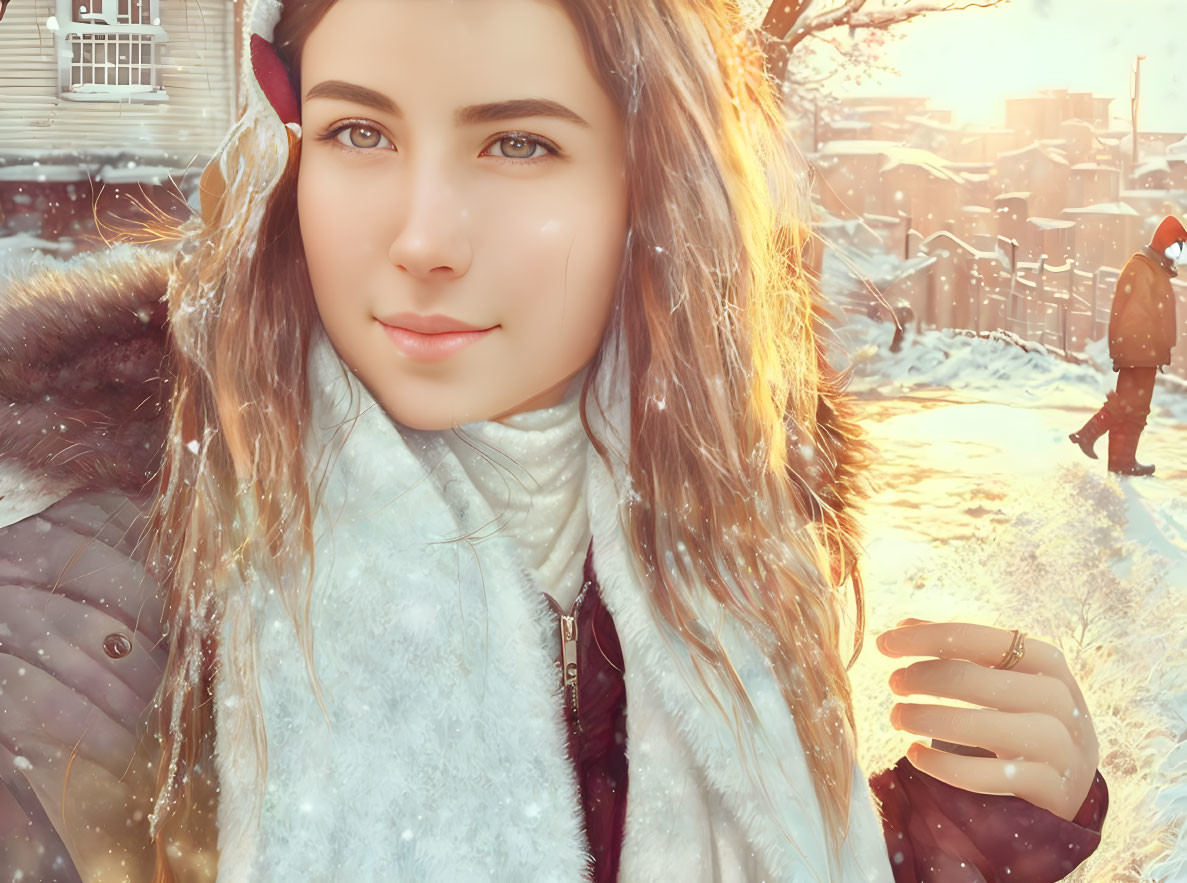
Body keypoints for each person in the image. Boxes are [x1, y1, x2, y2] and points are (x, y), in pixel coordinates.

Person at [0, 0, 1107, 880]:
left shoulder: (720, 521)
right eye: (358, 130)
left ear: (648, 189)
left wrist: (946, 840)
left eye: (517, 142)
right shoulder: (101, 593)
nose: (422, 236)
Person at [1069, 214, 1184, 476]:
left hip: (1139, 349)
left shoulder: (1148, 266)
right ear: (1166, 244)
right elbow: (1138, 314)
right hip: (1141, 350)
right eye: (1177, 248)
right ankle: (1092, 436)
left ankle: (1120, 460)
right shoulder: (1144, 267)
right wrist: (1150, 346)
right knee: (1133, 405)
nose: (1178, 256)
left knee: (1132, 406)